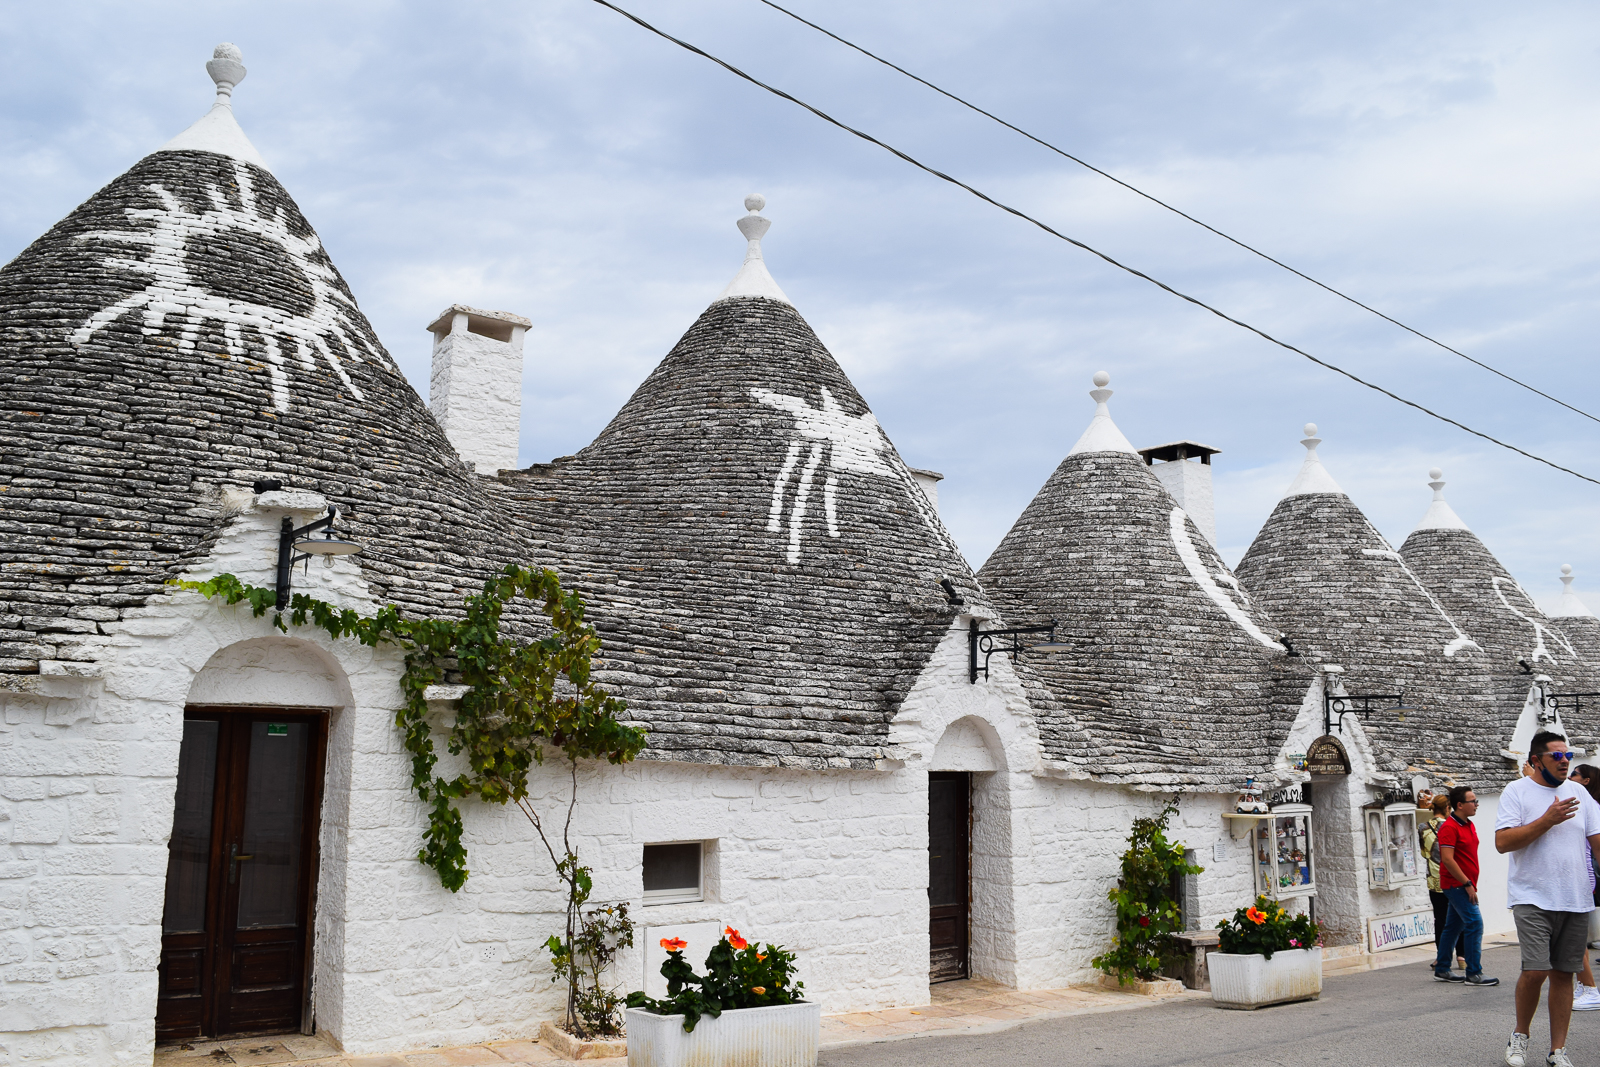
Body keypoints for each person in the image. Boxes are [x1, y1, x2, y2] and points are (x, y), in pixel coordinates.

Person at [1496, 731, 1600, 1067]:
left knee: (1563, 974)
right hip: (1532, 896)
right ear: (1536, 761)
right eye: (1557, 756)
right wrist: (1547, 820)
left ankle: (1558, 1051)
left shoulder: (1580, 793)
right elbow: (1503, 842)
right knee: (1537, 969)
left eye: (1567, 755)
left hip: (1576, 898)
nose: (1565, 761)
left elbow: (1598, 845)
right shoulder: (1517, 792)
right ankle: (1520, 1035)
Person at [1434, 785, 1498, 986]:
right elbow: (1448, 859)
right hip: (1457, 884)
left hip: (1465, 883)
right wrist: (1467, 883)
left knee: (1454, 926)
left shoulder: (1468, 824)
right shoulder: (1449, 827)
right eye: (1473, 801)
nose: (1477, 804)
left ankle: (1442, 968)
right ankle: (1473, 973)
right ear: (1460, 805)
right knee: (1474, 923)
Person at [1422, 792, 1467, 971]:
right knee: (1460, 916)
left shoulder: (1422, 827)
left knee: (1440, 919)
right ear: (1448, 808)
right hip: (1454, 877)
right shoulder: (1453, 826)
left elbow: (1424, 853)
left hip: (1434, 879)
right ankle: (1462, 955)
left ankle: (1441, 956)